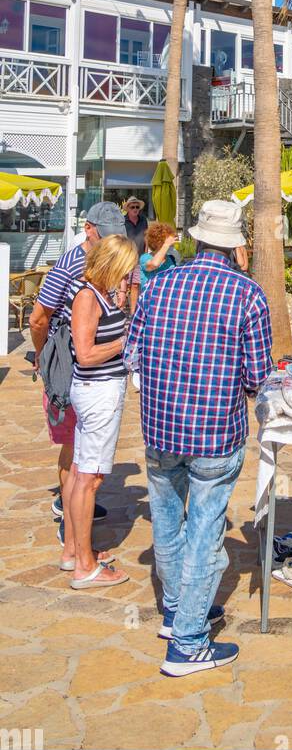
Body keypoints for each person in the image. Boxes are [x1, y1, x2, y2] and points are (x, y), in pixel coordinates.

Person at [124, 199, 272, 676]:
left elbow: (133, 355)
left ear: (197, 238)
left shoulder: (158, 286)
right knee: (205, 531)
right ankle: (187, 642)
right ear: (234, 246)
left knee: (168, 523)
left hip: (162, 427)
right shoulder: (248, 296)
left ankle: (175, 611)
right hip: (214, 433)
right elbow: (257, 377)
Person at [29, 201, 138, 557]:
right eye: (104, 235)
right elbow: (39, 318)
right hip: (73, 367)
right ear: (89, 228)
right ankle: (71, 528)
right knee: (75, 456)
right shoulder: (73, 269)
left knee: (80, 457)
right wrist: (45, 360)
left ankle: (76, 523)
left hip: (86, 369)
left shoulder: (107, 271)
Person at [66, 235, 139, 589]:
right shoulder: (86, 297)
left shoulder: (101, 293)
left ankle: (80, 552)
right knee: (89, 478)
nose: (129, 276)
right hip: (96, 394)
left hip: (98, 393)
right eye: (126, 270)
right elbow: (85, 354)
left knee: (84, 472)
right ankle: (85, 566)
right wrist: (125, 343)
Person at [138, 222, 179, 291]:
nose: (171, 242)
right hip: (150, 298)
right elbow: (154, 264)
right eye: (167, 239)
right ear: (158, 241)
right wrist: (166, 244)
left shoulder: (170, 259)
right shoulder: (144, 258)